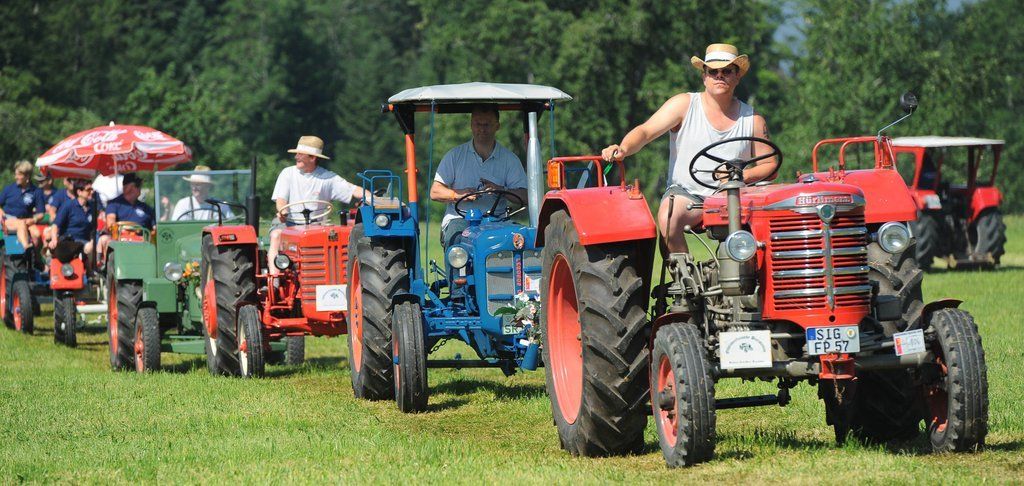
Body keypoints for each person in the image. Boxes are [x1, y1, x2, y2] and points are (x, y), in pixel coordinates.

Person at [601, 43, 777, 254]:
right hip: (688, 195)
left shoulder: (753, 119)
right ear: (704, 76)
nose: (719, 76)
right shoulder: (684, 105)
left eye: (727, 71)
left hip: (734, 196)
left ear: (737, 76)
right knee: (669, 216)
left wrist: (741, 175)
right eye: (713, 71)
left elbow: (770, 165)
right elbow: (646, 131)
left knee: (770, 218)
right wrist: (623, 148)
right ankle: (684, 271)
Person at [429, 105, 528, 247]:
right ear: (471, 125)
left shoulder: (509, 159)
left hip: (498, 220)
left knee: (522, 239)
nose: (482, 129)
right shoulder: (455, 156)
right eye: (477, 124)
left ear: (497, 126)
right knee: (456, 240)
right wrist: (459, 195)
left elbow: (525, 196)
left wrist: (500, 190)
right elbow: (435, 192)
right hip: (461, 218)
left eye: (487, 124)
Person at [268, 135, 368, 275]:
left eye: (300, 154)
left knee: (340, 238)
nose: (296, 157)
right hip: (288, 223)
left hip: (317, 225)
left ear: (312, 158)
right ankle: (275, 279)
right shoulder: (288, 173)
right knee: (276, 235)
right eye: (296, 154)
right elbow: (281, 200)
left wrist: (374, 198)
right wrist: (282, 211)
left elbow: (353, 189)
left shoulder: (327, 178)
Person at [97, 173, 155, 258]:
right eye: (138, 186)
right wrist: (129, 232)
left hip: (144, 242)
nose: (140, 189)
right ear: (129, 187)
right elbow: (111, 225)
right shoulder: (114, 204)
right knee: (105, 240)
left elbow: (155, 229)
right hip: (120, 240)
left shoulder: (146, 208)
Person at [49, 178, 99, 264]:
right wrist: (54, 239)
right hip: (68, 242)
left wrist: (93, 241)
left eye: (92, 189)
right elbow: (55, 225)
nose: (91, 192)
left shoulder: (92, 207)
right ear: (79, 192)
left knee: (93, 245)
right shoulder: (68, 205)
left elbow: (93, 229)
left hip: (84, 241)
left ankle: (91, 269)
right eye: (88, 190)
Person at [0, 161, 45, 249]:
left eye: (19, 175)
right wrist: (1, 213)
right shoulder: (9, 189)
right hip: (7, 220)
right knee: (21, 225)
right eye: (15, 174)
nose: (16, 177)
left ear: (27, 176)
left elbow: (41, 213)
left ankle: (35, 256)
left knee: (36, 234)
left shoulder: (36, 191)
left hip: (26, 220)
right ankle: (26, 247)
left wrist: (34, 219)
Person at [169, 166, 234, 221]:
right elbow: (176, 228)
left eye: (198, 184)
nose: (194, 187)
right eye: (192, 184)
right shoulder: (183, 204)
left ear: (208, 186)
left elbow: (232, 224)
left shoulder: (221, 206)